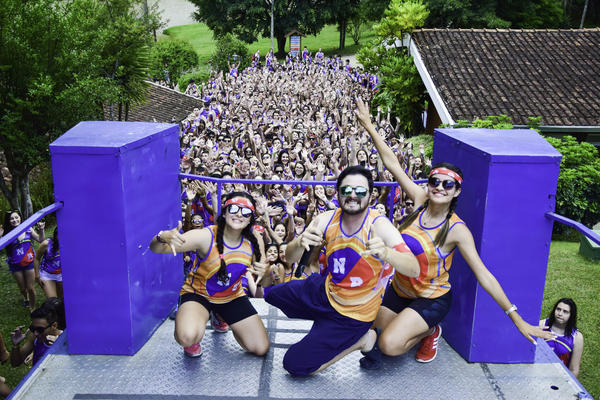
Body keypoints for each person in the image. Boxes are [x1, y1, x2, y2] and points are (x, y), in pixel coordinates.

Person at [354, 98, 554, 368]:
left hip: (430, 298)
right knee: (372, 327)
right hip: (400, 289)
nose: (439, 187)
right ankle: (409, 324)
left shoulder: (457, 230)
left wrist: (517, 319)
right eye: (435, 181)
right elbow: (392, 164)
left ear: (457, 191)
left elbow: (484, 275)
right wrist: (368, 125)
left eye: (448, 184)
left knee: (389, 345)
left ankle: (429, 330)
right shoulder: (420, 199)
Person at [264, 165, 419, 376]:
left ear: (370, 196)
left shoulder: (380, 226)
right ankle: (323, 326)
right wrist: (299, 242)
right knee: (273, 295)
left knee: (294, 365)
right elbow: (290, 258)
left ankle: (363, 340)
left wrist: (386, 253)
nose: (353, 195)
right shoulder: (326, 219)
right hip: (326, 292)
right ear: (338, 193)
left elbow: (414, 268)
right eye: (346, 190)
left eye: (360, 191)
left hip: (353, 315)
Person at [149, 192, 269, 358]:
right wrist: (162, 237)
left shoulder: (254, 239)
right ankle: (195, 331)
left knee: (260, 348)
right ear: (225, 212)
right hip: (199, 294)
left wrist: (266, 273)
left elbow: (264, 277)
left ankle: (220, 316)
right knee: (187, 337)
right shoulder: (205, 236)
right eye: (234, 208)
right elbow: (155, 249)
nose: (239, 214)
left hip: (232, 297)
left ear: (250, 219)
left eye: (246, 211)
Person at [2, 211, 45, 310]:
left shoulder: (28, 228)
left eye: (16, 217)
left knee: (31, 288)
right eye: (12, 218)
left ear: (20, 218)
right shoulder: (7, 233)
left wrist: (41, 230)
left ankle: (32, 308)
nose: (15, 220)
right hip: (15, 265)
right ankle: (26, 298)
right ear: (8, 221)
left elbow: (40, 240)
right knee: (22, 288)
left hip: (29, 262)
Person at [9, 303, 63, 367]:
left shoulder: (65, 341)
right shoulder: (35, 338)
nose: (35, 333)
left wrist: (60, 349)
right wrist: (16, 346)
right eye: (33, 328)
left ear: (54, 326)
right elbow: (15, 363)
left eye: (40, 329)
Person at [540, 298, 583, 377]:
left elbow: (574, 369)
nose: (560, 313)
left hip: (559, 378)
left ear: (571, 315)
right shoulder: (541, 325)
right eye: (558, 309)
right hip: (538, 373)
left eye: (565, 312)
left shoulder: (577, 338)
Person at [34, 228, 63, 300]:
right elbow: (37, 259)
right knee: (53, 301)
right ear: (55, 235)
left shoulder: (71, 244)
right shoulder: (46, 244)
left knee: (62, 299)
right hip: (47, 274)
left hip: (62, 274)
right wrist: (37, 275)